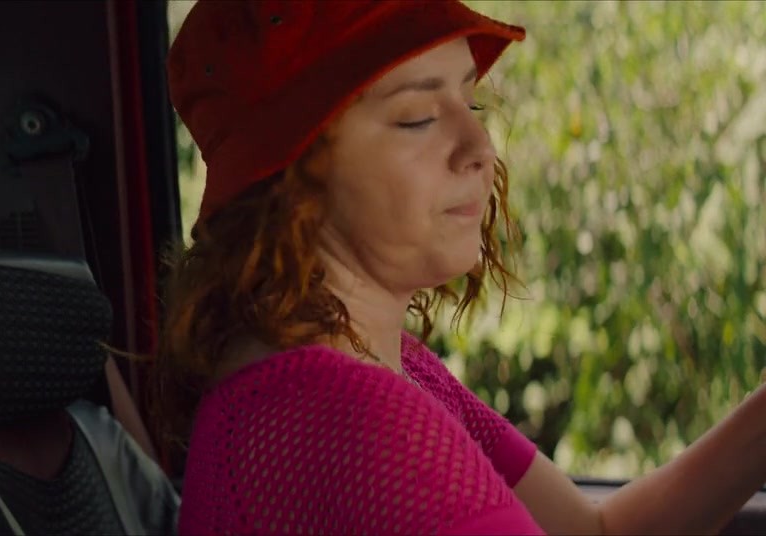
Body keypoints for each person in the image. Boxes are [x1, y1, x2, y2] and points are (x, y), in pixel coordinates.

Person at [154, 1, 766, 534]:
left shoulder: (380, 369)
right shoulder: (356, 421)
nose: (480, 147)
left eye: (469, 101)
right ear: (292, 178)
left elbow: (592, 531)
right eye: (417, 117)